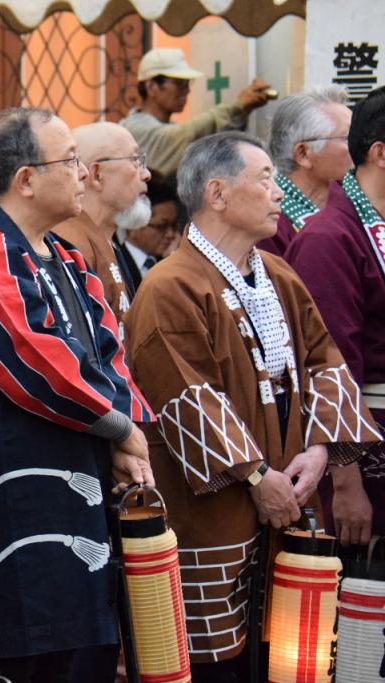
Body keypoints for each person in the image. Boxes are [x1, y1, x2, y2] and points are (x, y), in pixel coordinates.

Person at [123, 132, 380, 681]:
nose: (278, 192)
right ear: (216, 193)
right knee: (216, 662)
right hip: (215, 514)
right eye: (264, 179)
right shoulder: (170, 286)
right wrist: (258, 477)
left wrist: (318, 450)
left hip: (289, 488)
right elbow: (187, 397)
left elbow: (324, 359)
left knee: (286, 654)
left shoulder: (279, 274)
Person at [0, 107, 154, 682]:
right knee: (36, 652)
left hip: (80, 481)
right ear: (26, 179)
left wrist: (128, 433)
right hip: (18, 498)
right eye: (71, 161)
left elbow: (108, 351)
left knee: (85, 649)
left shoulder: (65, 256)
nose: (83, 173)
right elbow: (39, 369)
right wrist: (122, 430)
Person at [285, 86, 385, 547]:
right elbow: (330, 367)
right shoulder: (330, 238)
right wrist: (346, 483)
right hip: (366, 455)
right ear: (380, 154)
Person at [52, 121, 151, 334]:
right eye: (135, 161)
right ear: (97, 175)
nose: (146, 174)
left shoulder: (104, 239)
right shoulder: (69, 243)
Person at [121, 48, 271, 183]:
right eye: (179, 84)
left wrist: (243, 110)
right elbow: (186, 134)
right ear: (151, 87)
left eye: (188, 84)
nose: (186, 91)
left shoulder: (169, 128)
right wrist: (238, 105)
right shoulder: (132, 129)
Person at [260, 86, 352, 256]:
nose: (361, 147)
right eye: (348, 138)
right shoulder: (267, 223)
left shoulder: (354, 206)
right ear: (303, 154)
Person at [119, 180, 183, 288]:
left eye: (174, 225)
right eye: (161, 226)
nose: (171, 234)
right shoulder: (118, 263)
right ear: (135, 225)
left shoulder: (166, 259)